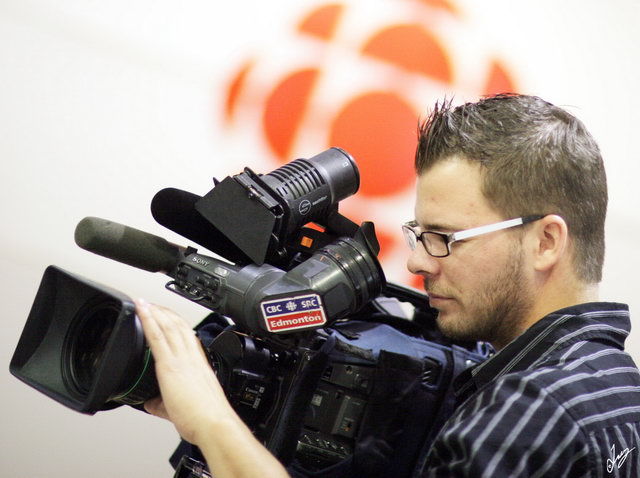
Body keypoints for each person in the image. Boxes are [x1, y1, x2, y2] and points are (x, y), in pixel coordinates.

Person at [136, 94, 640, 477]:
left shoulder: (528, 412)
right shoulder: (616, 387)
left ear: (546, 242)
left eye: (444, 237)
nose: (419, 261)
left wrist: (210, 420)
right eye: (419, 235)